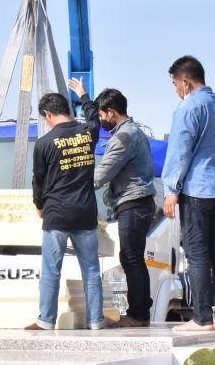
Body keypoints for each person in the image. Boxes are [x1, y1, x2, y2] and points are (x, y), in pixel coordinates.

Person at [161, 55, 215, 333]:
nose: (176, 90)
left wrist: (171, 189)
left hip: (197, 189)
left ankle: (202, 317)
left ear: (185, 81)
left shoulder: (188, 107)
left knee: (196, 253)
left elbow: (180, 151)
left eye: (175, 84)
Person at [25, 78, 107, 331]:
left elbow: (38, 181)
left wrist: (39, 205)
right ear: (67, 111)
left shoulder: (44, 143)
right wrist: (83, 94)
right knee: (91, 271)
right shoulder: (87, 133)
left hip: (57, 215)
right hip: (85, 213)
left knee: (51, 271)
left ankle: (46, 321)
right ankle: (96, 321)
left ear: (48, 114)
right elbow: (95, 118)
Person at [93, 88, 156, 327]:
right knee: (133, 258)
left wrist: (72, 184)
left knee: (131, 258)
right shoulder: (134, 131)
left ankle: (137, 315)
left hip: (133, 202)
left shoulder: (123, 136)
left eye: (101, 115)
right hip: (137, 202)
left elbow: (102, 173)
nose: (101, 120)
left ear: (111, 112)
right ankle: (140, 313)